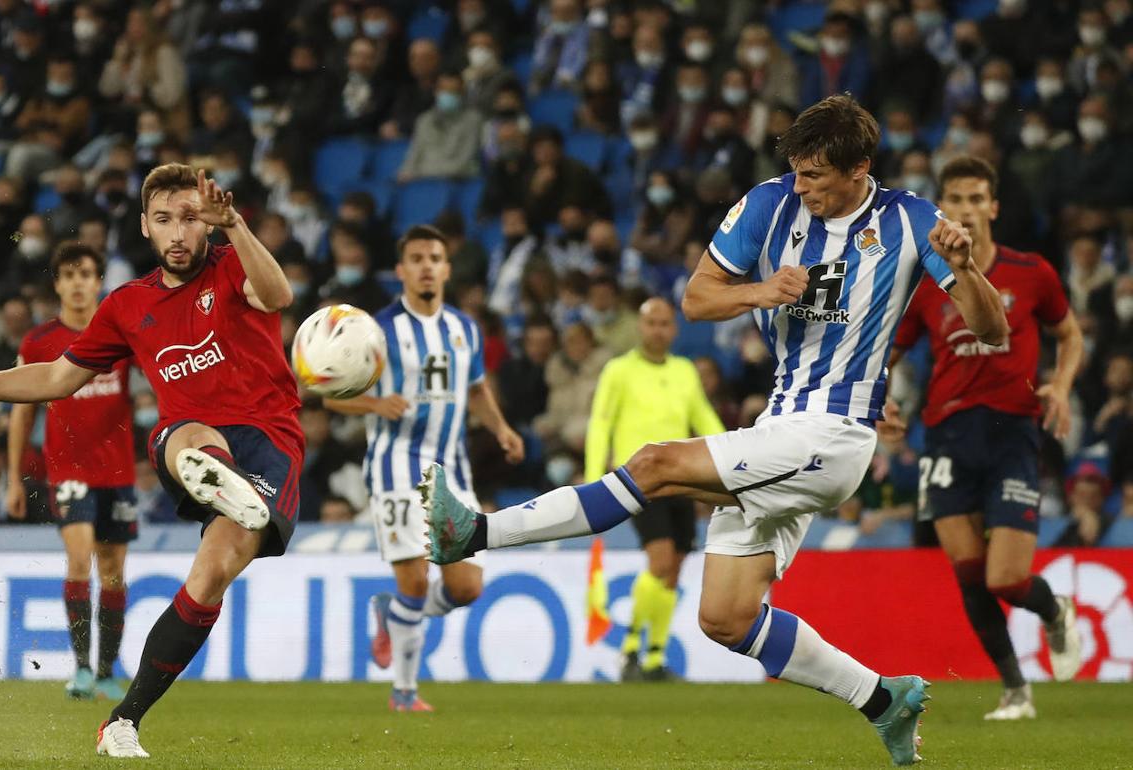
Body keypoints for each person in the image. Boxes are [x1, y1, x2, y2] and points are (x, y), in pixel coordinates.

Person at [420, 95, 1009, 766]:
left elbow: (991, 330)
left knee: (655, 464)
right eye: (797, 171)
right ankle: (882, 699)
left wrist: (966, 269)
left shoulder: (910, 219)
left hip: (834, 433)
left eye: (815, 175)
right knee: (726, 618)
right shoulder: (769, 204)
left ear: (859, 169)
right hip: (781, 425)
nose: (801, 187)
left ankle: (474, 534)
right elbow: (697, 298)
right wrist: (762, 291)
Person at [0, 163, 301, 759]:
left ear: (207, 223)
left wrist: (237, 226)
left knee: (210, 578)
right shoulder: (127, 305)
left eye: (191, 218)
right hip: (189, 439)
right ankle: (215, 475)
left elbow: (277, 296)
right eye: (165, 219)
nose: (178, 232)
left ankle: (122, 721)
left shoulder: (233, 266)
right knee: (190, 433)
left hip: (270, 444)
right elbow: (55, 377)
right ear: (145, 226)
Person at [886, 155, 1083, 720]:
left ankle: (1054, 610)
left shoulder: (1032, 272)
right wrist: (883, 397)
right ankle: (1015, 689)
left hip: (1012, 432)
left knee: (1006, 577)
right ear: (940, 208)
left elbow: (1069, 335)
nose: (966, 209)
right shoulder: (927, 282)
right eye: (955, 199)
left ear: (993, 207)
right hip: (946, 434)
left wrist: (1061, 385)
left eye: (976, 198)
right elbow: (889, 351)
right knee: (970, 573)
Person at [324, 225, 524, 712]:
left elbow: (475, 389)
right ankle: (404, 692)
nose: (427, 266)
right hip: (395, 467)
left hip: (451, 471)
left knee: (466, 587)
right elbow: (331, 396)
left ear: (447, 268)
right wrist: (375, 404)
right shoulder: (377, 331)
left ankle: (391, 612)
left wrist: (501, 428)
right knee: (414, 579)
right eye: (416, 259)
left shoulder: (465, 328)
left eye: (434, 257)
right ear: (400, 270)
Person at [6, 241, 138, 701]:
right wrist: (13, 478)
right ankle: (81, 669)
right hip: (68, 470)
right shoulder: (39, 342)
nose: (78, 283)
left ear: (99, 281)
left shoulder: (122, 333)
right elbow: (22, 412)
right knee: (80, 558)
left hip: (118, 471)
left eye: (85, 274)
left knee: (114, 570)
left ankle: (105, 672)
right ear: (57, 285)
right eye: (68, 275)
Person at [585, 297, 724, 682]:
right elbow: (601, 422)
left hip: (681, 479)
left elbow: (702, 417)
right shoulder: (619, 370)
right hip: (639, 480)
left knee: (674, 568)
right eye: (651, 323)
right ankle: (630, 647)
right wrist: (594, 477)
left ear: (674, 329)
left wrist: (732, 460)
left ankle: (654, 658)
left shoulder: (684, 371)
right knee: (660, 562)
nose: (658, 330)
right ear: (640, 327)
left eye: (665, 323)